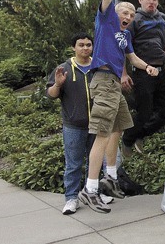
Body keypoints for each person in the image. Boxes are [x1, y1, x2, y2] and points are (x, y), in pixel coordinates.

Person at [79, 0, 160, 214]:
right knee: (102, 134)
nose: (127, 15)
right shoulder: (106, 22)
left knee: (118, 127)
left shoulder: (124, 36)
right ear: (114, 13)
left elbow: (132, 58)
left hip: (115, 85)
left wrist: (147, 67)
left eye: (130, 14)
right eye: (124, 11)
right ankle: (89, 190)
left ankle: (110, 177)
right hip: (102, 81)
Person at [47, 32, 113, 215]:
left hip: (98, 124)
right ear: (73, 47)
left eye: (88, 45)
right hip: (74, 125)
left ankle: (95, 193)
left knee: (97, 161)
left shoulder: (99, 67)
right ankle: (71, 198)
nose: (85, 48)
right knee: (73, 164)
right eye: (81, 45)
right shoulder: (64, 68)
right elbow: (51, 95)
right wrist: (58, 84)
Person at [120, 0, 165, 157]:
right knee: (145, 112)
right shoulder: (135, 20)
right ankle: (128, 140)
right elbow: (123, 49)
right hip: (142, 71)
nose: (152, 2)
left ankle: (140, 134)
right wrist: (124, 74)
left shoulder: (163, 18)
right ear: (140, 0)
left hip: (161, 70)